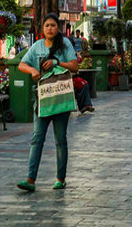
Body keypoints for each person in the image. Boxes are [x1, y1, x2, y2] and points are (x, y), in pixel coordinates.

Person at [16, 13, 79, 192]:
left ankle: (60, 178)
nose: (50, 28)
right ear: (41, 29)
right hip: (43, 100)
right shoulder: (36, 47)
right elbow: (22, 64)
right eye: (47, 26)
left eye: (53, 25)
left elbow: (75, 66)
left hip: (60, 99)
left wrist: (57, 62)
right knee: (37, 139)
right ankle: (30, 179)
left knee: (60, 140)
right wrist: (32, 71)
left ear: (58, 27)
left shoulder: (65, 44)